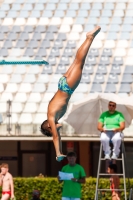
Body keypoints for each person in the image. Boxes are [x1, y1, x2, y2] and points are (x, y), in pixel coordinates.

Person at [40, 26, 101, 161]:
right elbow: (58, 134)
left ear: (49, 126)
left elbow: (56, 137)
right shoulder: (53, 116)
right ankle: (88, 38)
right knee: (77, 61)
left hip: (67, 88)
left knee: (80, 62)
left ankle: (89, 38)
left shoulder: (51, 118)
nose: (57, 131)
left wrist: (58, 153)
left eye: (53, 130)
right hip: (62, 84)